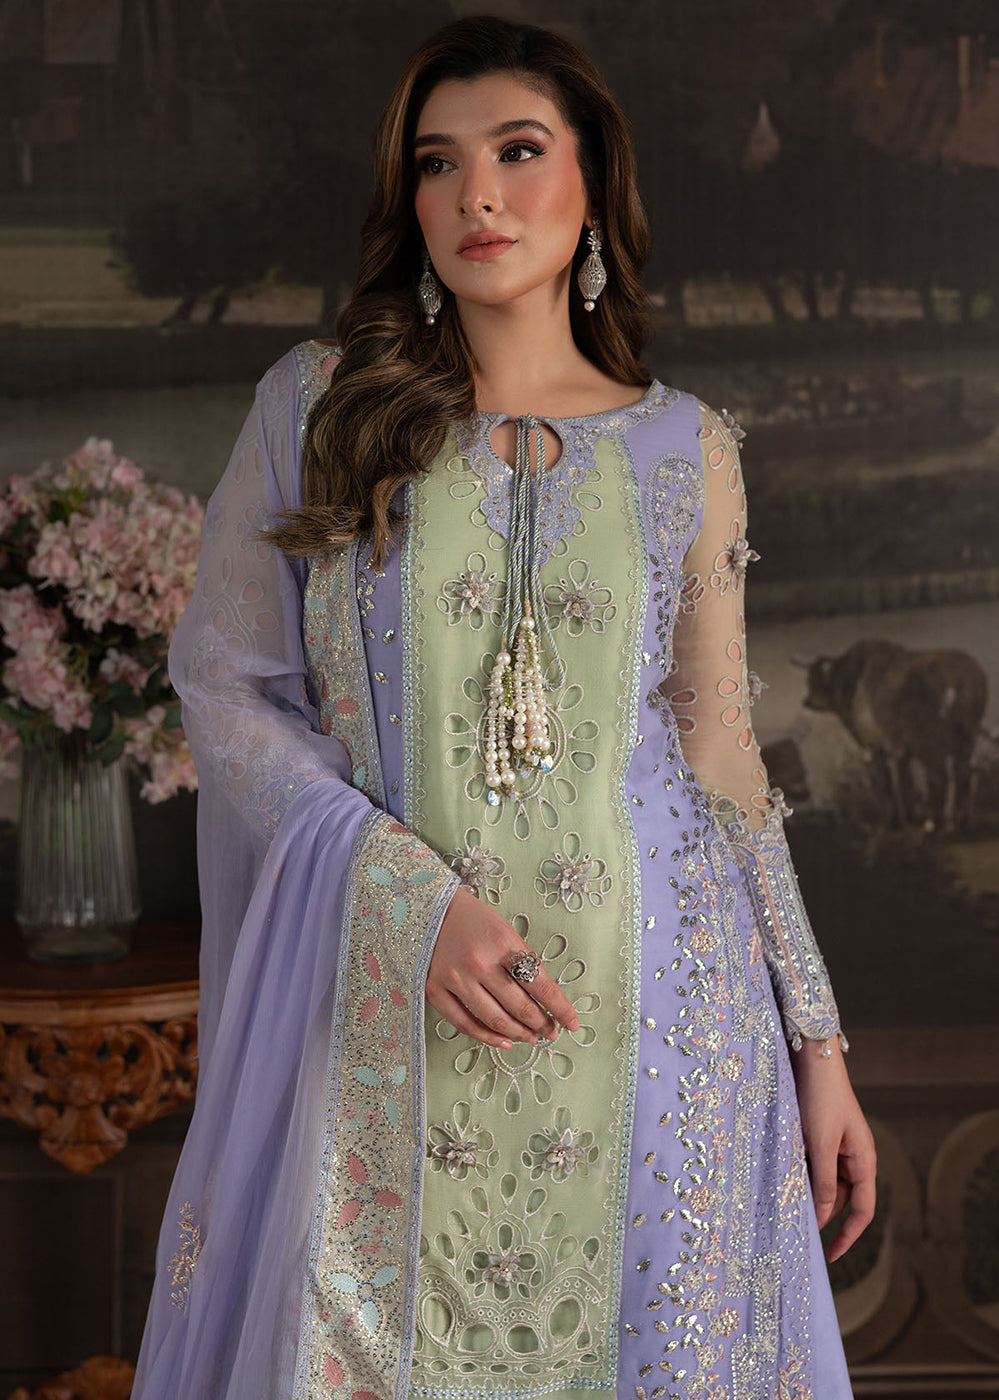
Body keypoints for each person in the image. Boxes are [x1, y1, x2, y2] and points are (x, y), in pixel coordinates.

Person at [131, 15, 876, 1400]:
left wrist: (817, 1042)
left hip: (666, 1017)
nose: (478, 194)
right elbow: (229, 689)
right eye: (438, 162)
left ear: (594, 182)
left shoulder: (685, 446)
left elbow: (723, 759)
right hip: (394, 998)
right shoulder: (320, 409)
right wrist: (406, 900)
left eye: (519, 151)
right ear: (410, 202)